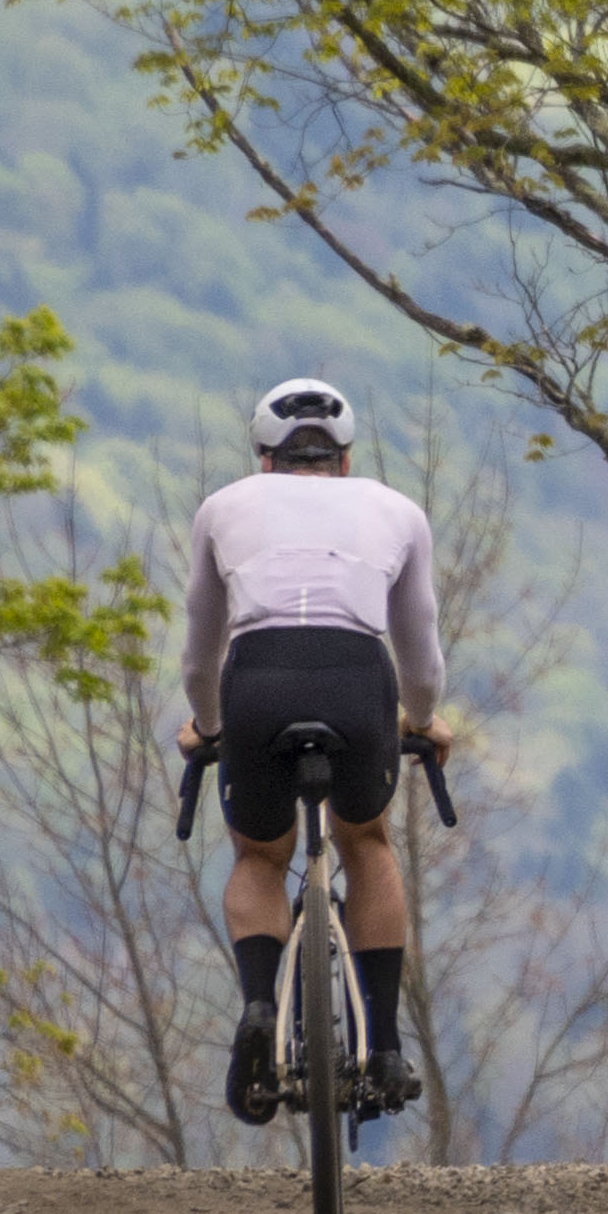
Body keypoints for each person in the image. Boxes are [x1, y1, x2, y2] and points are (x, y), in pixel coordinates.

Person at [178, 375, 454, 1125]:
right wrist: (423, 720)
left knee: (259, 856)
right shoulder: (397, 510)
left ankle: (262, 1005)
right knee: (367, 843)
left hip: (257, 678)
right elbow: (421, 656)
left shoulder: (223, 506)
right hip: (357, 681)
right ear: (346, 456)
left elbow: (201, 656)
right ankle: (387, 1044)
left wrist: (206, 726)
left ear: (263, 457)